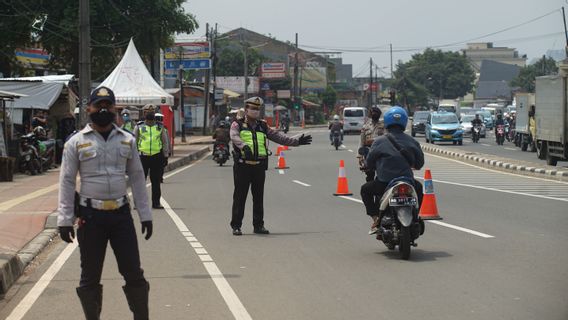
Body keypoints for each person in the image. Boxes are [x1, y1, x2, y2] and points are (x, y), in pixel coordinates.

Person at [57, 86, 153, 319]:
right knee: (89, 275)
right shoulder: (75, 142)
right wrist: (64, 219)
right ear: (88, 108)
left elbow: (138, 178)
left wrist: (146, 214)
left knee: (133, 272)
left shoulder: (127, 140)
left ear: (114, 109)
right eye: (98, 105)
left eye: (107, 105)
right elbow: (67, 181)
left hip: (121, 215)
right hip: (91, 218)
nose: (103, 109)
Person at [230, 96, 312, 236]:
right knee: (239, 197)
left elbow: (279, 138)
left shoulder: (263, 126)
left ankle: (258, 225)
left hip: (259, 167)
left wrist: (297, 142)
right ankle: (236, 226)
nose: (255, 111)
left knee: (258, 198)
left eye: (257, 109)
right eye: (252, 108)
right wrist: (244, 147)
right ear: (246, 109)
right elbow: (234, 136)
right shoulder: (237, 124)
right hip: (243, 166)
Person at [360, 106, 424, 234]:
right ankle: (415, 217)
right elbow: (419, 163)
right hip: (408, 181)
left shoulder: (379, 142)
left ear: (387, 122)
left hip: (384, 183)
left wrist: (368, 165)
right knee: (419, 188)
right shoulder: (412, 141)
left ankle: (376, 218)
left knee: (365, 190)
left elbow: (370, 162)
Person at [134, 105, 169, 209]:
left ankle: (156, 203)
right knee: (140, 182)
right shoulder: (138, 127)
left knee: (156, 181)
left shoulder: (160, 127)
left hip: (156, 157)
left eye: (152, 111)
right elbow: (134, 142)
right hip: (142, 157)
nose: (149, 113)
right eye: (147, 111)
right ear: (144, 114)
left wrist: (165, 156)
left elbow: (164, 142)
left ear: (155, 113)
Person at [359, 106, 385, 182]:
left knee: (382, 174)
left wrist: (373, 140)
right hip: (368, 152)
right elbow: (361, 142)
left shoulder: (384, 126)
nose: (374, 114)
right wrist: (360, 156)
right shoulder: (365, 126)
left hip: (382, 152)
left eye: (376, 112)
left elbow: (387, 137)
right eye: (372, 112)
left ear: (379, 114)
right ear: (370, 114)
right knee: (369, 175)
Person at [155, 112, 171, 183]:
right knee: (158, 166)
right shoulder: (157, 129)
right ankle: (158, 177)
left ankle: (159, 177)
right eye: (159, 119)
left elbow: (167, 141)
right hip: (157, 150)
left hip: (160, 150)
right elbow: (167, 141)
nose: (160, 121)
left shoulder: (164, 129)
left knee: (161, 165)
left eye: (160, 119)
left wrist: (168, 151)